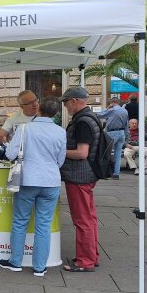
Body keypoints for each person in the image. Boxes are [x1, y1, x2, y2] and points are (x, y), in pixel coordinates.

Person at [0, 98, 66, 277]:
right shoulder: (60, 131)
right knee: (43, 225)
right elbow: (61, 160)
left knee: (20, 221)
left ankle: (15, 262)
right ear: (55, 113)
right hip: (51, 181)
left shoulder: (24, 129)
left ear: (39, 111)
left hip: (28, 180)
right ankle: (39, 267)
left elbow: (11, 154)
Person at [58, 87, 101, 272]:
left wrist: (59, 152)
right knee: (89, 218)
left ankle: (85, 261)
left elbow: (82, 153)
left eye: (65, 101)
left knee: (82, 218)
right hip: (86, 174)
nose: (65, 105)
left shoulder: (82, 121)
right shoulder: (90, 118)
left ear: (74, 100)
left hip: (79, 175)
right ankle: (92, 256)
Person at [96, 97, 129, 180]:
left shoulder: (113, 110)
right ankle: (116, 174)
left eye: (110, 103)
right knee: (117, 154)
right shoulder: (124, 111)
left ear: (113, 102)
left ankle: (104, 172)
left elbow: (99, 115)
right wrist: (126, 135)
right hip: (122, 133)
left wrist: (107, 108)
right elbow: (126, 124)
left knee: (104, 152)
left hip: (113, 133)